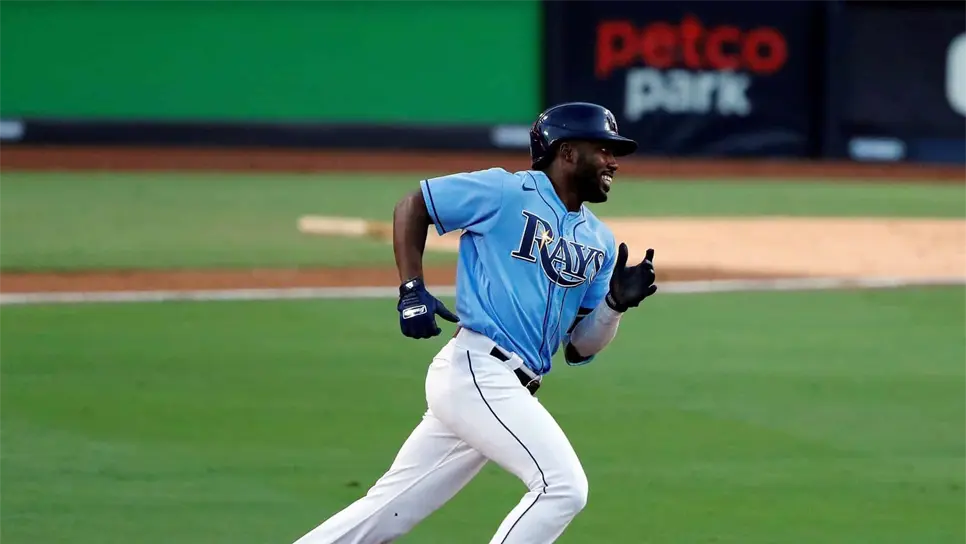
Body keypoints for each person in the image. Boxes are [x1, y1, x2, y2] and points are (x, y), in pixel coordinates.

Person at [292, 102, 658, 544]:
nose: (613, 161)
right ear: (566, 152)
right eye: (603, 149)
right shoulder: (506, 191)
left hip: (497, 389)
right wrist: (411, 289)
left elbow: (579, 346)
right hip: (478, 370)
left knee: (387, 512)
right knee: (563, 488)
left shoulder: (599, 239)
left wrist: (614, 305)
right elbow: (414, 205)